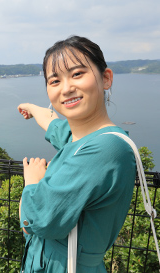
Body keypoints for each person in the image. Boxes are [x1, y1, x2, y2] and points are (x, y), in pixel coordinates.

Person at [17, 36, 136, 272]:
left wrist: (32, 180)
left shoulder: (105, 150)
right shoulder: (82, 138)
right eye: (54, 81)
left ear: (106, 78)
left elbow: (37, 220)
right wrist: (30, 108)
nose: (66, 87)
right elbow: (53, 125)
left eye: (77, 74)